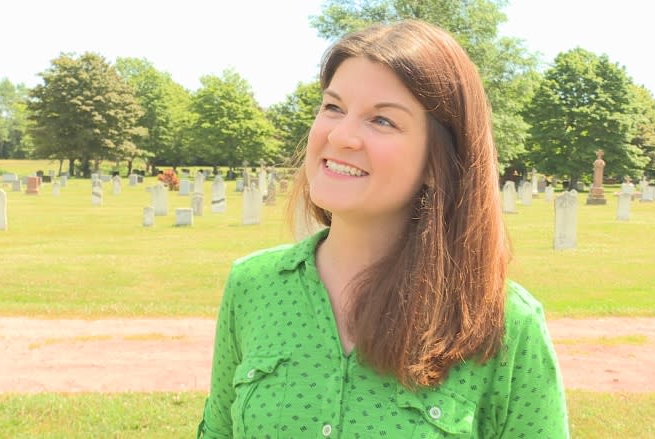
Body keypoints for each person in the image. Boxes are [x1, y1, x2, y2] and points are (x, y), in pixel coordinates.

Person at [198, 20, 569, 438]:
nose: (340, 136)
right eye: (333, 107)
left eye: (382, 121)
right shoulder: (252, 286)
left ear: (437, 162)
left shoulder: (504, 324)